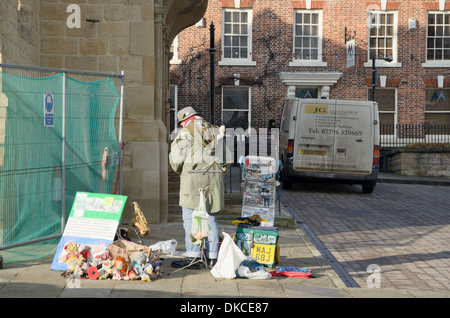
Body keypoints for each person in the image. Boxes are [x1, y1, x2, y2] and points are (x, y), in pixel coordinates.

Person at [169, 106, 230, 269]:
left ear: (184, 120)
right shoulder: (215, 131)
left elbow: (176, 161)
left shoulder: (185, 133)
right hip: (213, 178)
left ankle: (193, 257)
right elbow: (227, 158)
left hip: (193, 178)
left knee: (191, 217)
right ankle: (212, 258)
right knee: (210, 217)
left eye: (181, 122)